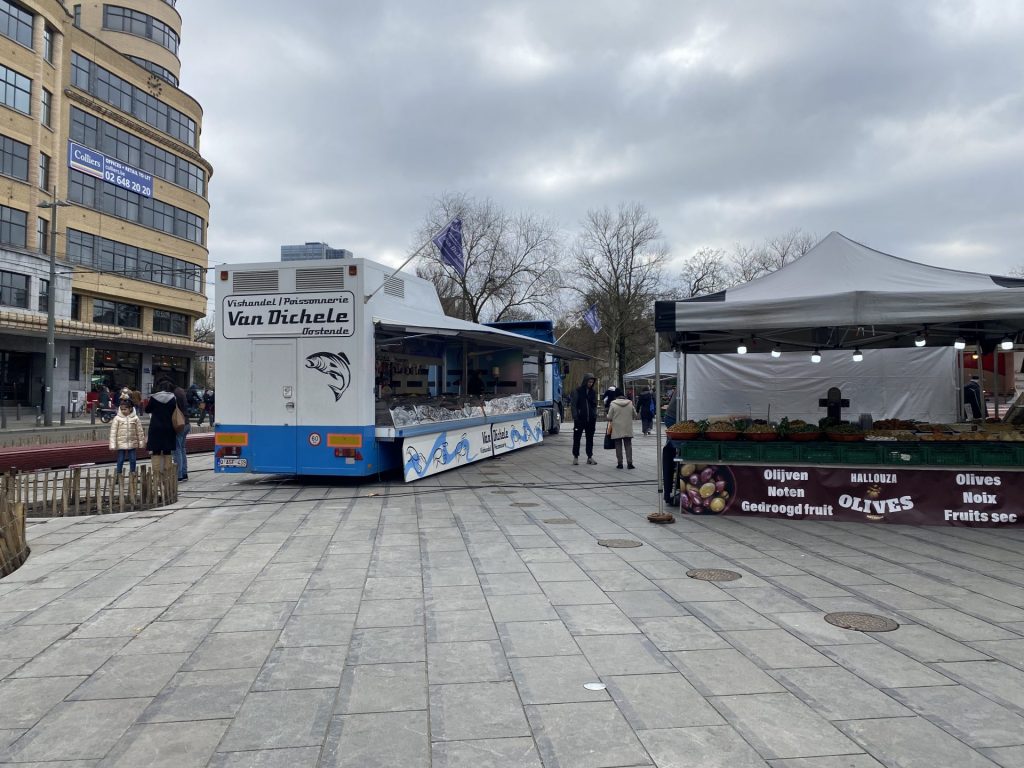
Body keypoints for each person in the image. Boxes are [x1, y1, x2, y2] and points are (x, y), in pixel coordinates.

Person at [145, 379, 178, 485]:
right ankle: (167, 476)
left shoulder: (154, 398)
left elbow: (147, 410)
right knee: (167, 452)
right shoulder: (173, 398)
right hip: (168, 428)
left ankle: (157, 476)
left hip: (156, 428)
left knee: (156, 452)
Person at [109, 397, 145, 477]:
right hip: (121, 443)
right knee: (120, 460)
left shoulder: (135, 418)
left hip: (132, 443)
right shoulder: (117, 418)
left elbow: (140, 431)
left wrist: (141, 442)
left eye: (125, 409)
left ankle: (133, 474)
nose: (123, 411)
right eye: (121, 409)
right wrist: (112, 445)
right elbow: (113, 432)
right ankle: (118, 475)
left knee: (133, 459)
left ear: (131, 408)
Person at [570, 373, 598, 465]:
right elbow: (573, 405)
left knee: (590, 438)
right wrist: (575, 416)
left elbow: (594, 405)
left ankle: (589, 457)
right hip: (580, 419)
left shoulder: (593, 392)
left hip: (590, 420)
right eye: (589, 382)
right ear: (585, 381)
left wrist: (594, 415)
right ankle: (575, 456)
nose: (590, 383)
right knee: (577, 438)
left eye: (592, 382)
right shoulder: (577, 391)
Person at [607, 392, 638, 469]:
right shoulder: (630, 403)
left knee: (618, 445)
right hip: (627, 427)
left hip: (617, 428)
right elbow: (635, 415)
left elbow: (609, 417)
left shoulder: (613, 404)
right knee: (628, 445)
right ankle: (630, 463)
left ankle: (620, 463)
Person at [173, 385, 190, 482]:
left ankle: (179, 475)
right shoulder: (182, 393)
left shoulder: (174, 395)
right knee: (182, 449)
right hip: (186, 424)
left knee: (177, 449)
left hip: (180, 425)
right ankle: (184, 473)